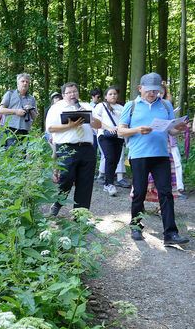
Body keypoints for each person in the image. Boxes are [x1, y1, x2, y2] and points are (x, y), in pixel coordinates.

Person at [118, 72, 189, 246]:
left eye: (156, 90)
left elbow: (171, 130)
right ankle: (136, 226)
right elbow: (120, 131)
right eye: (149, 90)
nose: (152, 94)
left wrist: (179, 128)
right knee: (140, 192)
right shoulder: (131, 105)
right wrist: (137, 130)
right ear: (140, 88)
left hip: (161, 155)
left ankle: (170, 234)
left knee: (166, 193)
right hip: (139, 155)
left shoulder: (166, 105)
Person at [46, 82, 102, 215]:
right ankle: (58, 202)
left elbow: (98, 124)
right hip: (66, 148)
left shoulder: (86, 106)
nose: (73, 95)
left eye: (75, 92)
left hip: (87, 148)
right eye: (69, 92)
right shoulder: (56, 108)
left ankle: (80, 215)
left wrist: (87, 115)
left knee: (85, 182)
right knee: (66, 178)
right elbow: (51, 128)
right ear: (64, 95)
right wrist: (70, 126)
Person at [93, 86, 125, 196]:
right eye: (110, 94)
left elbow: (124, 122)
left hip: (118, 136)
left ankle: (107, 183)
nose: (113, 96)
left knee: (116, 160)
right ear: (106, 96)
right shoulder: (100, 106)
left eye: (115, 94)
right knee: (110, 158)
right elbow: (96, 121)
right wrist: (109, 128)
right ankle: (110, 184)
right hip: (105, 136)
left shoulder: (121, 108)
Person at [0, 73, 38, 146]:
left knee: (23, 155)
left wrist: (31, 109)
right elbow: (1, 110)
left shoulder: (32, 99)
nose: (25, 83)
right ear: (17, 83)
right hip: (11, 130)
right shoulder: (10, 94)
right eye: (23, 81)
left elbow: (35, 117)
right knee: (13, 154)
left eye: (27, 82)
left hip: (25, 131)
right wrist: (16, 111)